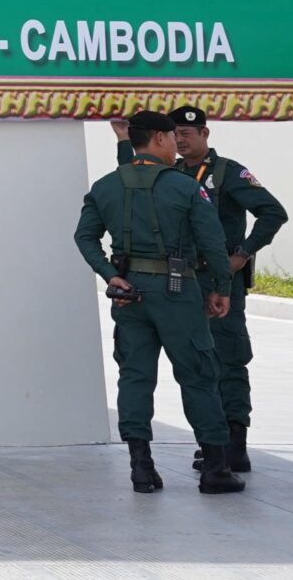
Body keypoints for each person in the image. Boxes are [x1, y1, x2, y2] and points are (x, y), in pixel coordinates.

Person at [73, 109, 243, 495]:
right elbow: (213, 242)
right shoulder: (184, 186)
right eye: (172, 139)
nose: (175, 146)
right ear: (161, 138)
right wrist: (221, 288)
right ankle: (215, 468)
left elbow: (84, 237)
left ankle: (141, 467)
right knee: (198, 374)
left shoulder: (105, 186)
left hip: (128, 293)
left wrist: (109, 274)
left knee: (135, 376)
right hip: (177, 290)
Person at [170, 105, 287, 473]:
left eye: (187, 133)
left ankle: (236, 445)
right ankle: (213, 441)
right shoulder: (172, 173)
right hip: (185, 279)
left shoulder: (227, 172)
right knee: (197, 360)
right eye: (175, 134)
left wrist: (243, 254)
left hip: (220, 280)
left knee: (229, 358)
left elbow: (273, 212)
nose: (181, 140)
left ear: (205, 134)